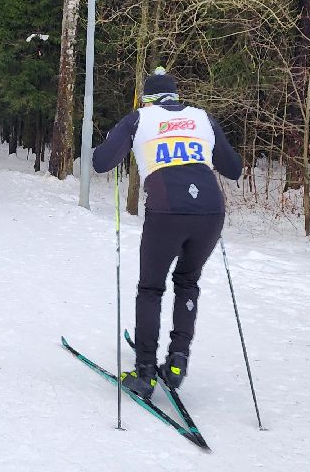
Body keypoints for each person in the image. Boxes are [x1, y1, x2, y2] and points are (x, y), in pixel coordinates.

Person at [91, 67, 243, 401]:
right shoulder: (202, 118)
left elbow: (101, 162)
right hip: (210, 211)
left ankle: (145, 372)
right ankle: (177, 361)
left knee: (151, 288)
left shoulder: (139, 118)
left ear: (148, 98)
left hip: (166, 210)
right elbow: (233, 168)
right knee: (187, 282)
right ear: (175, 97)